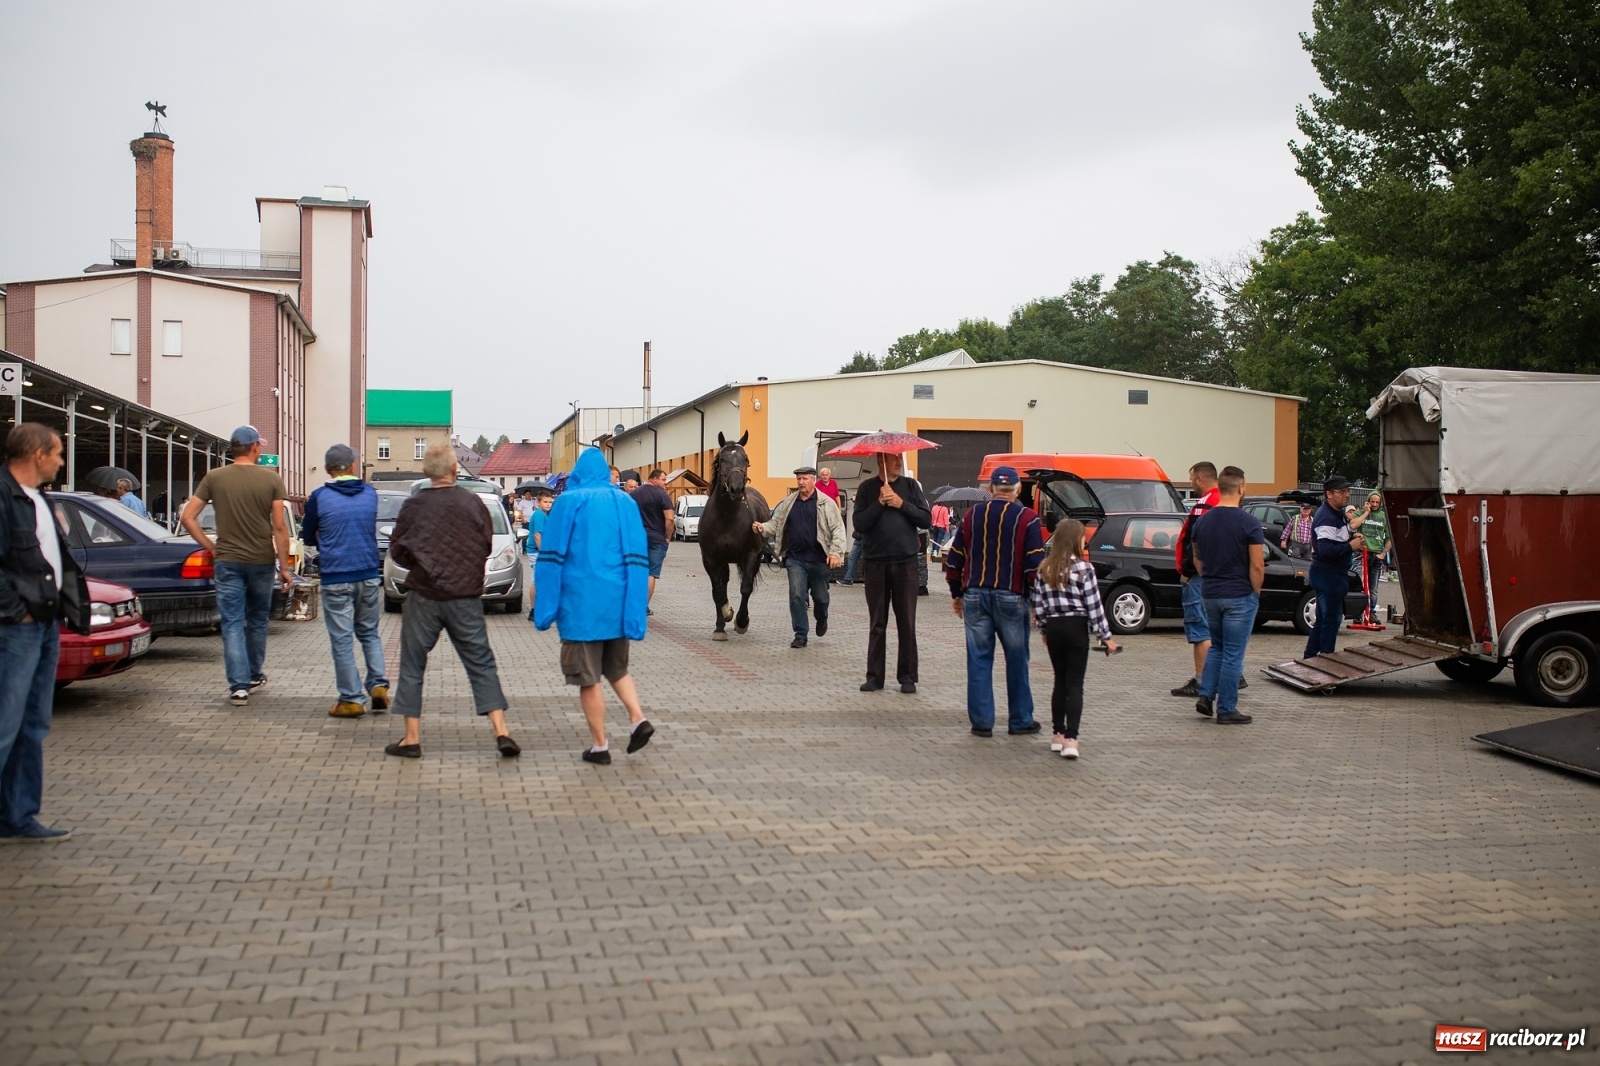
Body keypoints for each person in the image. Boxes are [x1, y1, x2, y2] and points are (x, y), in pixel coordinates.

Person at [384, 444, 518, 759]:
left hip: (424, 595)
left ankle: (411, 738)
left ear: (425, 472)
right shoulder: (473, 503)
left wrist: (422, 565)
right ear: (455, 470)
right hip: (466, 597)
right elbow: (486, 545)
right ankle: (501, 731)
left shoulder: (413, 506)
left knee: (413, 663)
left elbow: (398, 550)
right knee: (481, 662)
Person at [535, 448, 655, 765]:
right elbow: (637, 556)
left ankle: (599, 746)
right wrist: (636, 607)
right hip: (618, 605)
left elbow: (551, 557)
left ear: (577, 472)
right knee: (618, 669)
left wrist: (544, 609)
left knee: (587, 679)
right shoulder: (625, 502)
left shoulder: (568, 502)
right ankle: (637, 718)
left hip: (580, 607)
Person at [0, 424, 90, 842]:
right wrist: (15, 612)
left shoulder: (39, 498)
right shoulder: (5, 497)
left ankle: (18, 817)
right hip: (16, 629)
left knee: (32, 724)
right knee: (5, 724)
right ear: (37, 454)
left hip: (44, 624)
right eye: (57, 453)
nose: (61, 460)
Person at [180, 426, 292, 707]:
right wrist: (284, 567)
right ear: (254, 448)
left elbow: (188, 517)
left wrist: (210, 546)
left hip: (227, 560)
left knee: (230, 622)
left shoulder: (214, 477)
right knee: (257, 620)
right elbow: (279, 526)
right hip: (261, 561)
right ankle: (254, 675)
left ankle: (238, 687)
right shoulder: (272, 479)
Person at [943, 466, 1046, 735]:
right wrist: (1039, 604)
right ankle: (1020, 720)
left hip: (975, 595)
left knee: (978, 659)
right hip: (1012, 597)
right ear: (1018, 489)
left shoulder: (973, 516)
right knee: (1017, 659)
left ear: (989, 490)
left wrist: (956, 594)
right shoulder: (1028, 518)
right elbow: (1033, 566)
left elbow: (954, 559)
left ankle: (981, 723)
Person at [300, 444, 388, 719]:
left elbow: (308, 535)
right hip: (368, 573)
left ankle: (351, 699)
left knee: (342, 640)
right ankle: (378, 685)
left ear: (328, 469)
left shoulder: (319, 496)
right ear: (352, 466)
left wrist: (323, 538)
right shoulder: (370, 494)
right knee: (369, 633)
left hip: (336, 575)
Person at [1032, 518, 1118, 759]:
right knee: (1075, 684)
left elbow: (1038, 604)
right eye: (1083, 538)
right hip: (1076, 627)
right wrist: (1106, 637)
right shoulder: (1084, 569)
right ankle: (1071, 738)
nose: (1085, 541)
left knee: (1059, 681)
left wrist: (1044, 630)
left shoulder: (1045, 568)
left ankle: (1057, 735)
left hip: (1055, 628)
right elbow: (1094, 606)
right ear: (1075, 541)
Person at [1191, 466, 1264, 724]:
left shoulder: (1203, 521)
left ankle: (1205, 695)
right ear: (1241, 488)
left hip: (1209, 593)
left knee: (1217, 648)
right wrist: (1255, 591)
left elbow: (1197, 559)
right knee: (1234, 653)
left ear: (1220, 488)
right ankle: (1227, 709)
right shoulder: (1249, 523)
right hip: (1239, 594)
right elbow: (1256, 565)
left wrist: (1210, 578)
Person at [853, 452, 931, 693]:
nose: (898, 462)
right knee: (878, 623)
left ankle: (907, 677)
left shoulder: (910, 486)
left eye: (899, 458)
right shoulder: (867, 488)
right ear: (880, 461)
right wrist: (879, 502)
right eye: (893, 458)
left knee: (906, 622)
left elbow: (925, 519)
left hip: (906, 564)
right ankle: (875, 677)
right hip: (876, 564)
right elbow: (860, 524)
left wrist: (899, 503)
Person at [753, 466, 846, 648]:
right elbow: (776, 523)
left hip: (820, 560)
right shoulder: (789, 503)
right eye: (799, 479)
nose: (801, 482)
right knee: (796, 595)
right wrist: (763, 528)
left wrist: (835, 552)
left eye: (804, 479)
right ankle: (800, 634)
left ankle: (822, 618)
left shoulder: (826, 503)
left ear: (813, 480)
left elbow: (838, 529)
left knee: (821, 598)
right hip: (795, 559)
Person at [1170, 462, 1221, 699]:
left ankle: (1203, 682)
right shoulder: (1222, 501)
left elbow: (1195, 541)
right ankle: (1219, 677)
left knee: (1200, 631)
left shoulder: (1205, 505)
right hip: (1212, 577)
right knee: (1211, 630)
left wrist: (1188, 570)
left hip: (1199, 577)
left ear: (1200, 479)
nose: (1191, 484)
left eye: (1191, 480)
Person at [1304, 475, 1366, 659]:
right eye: (1342, 492)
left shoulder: (1337, 513)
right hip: (1327, 574)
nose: (1347, 495)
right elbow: (1324, 550)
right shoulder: (1326, 517)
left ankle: (1310, 658)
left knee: (1323, 620)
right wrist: (1350, 546)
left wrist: (1351, 538)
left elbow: (1336, 539)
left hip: (1333, 574)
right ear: (1329, 494)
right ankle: (1325, 661)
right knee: (1331, 621)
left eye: (1348, 491)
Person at [632, 469, 675, 611]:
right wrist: (668, 536)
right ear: (655, 479)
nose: (665, 483)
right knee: (651, 573)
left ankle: (632, 603)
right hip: (657, 539)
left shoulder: (635, 493)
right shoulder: (662, 495)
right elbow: (669, 518)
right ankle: (642, 606)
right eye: (663, 480)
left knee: (638, 571)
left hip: (637, 539)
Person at [524, 489, 553, 621]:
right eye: (545, 502)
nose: (548, 504)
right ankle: (534, 611)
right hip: (536, 552)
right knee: (536, 580)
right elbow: (537, 535)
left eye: (550, 502)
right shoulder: (540, 515)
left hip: (536, 551)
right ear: (538, 502)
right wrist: (543, 552)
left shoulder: (541, 514)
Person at [1362, 491, 1392, 609]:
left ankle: (1372, 612)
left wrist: (1383, 554)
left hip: (1376, 555)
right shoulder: (1361, 513)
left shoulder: (1383, 516)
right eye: (1372, 501)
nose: (1374, 504)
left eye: (1377, 502)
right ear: (1368, 501)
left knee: (1373, 588)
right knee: (1361, 586)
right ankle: (1359, 614)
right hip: (1362, 554)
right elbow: (1353, 526)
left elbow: (1390, 538)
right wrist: (1366, 512)